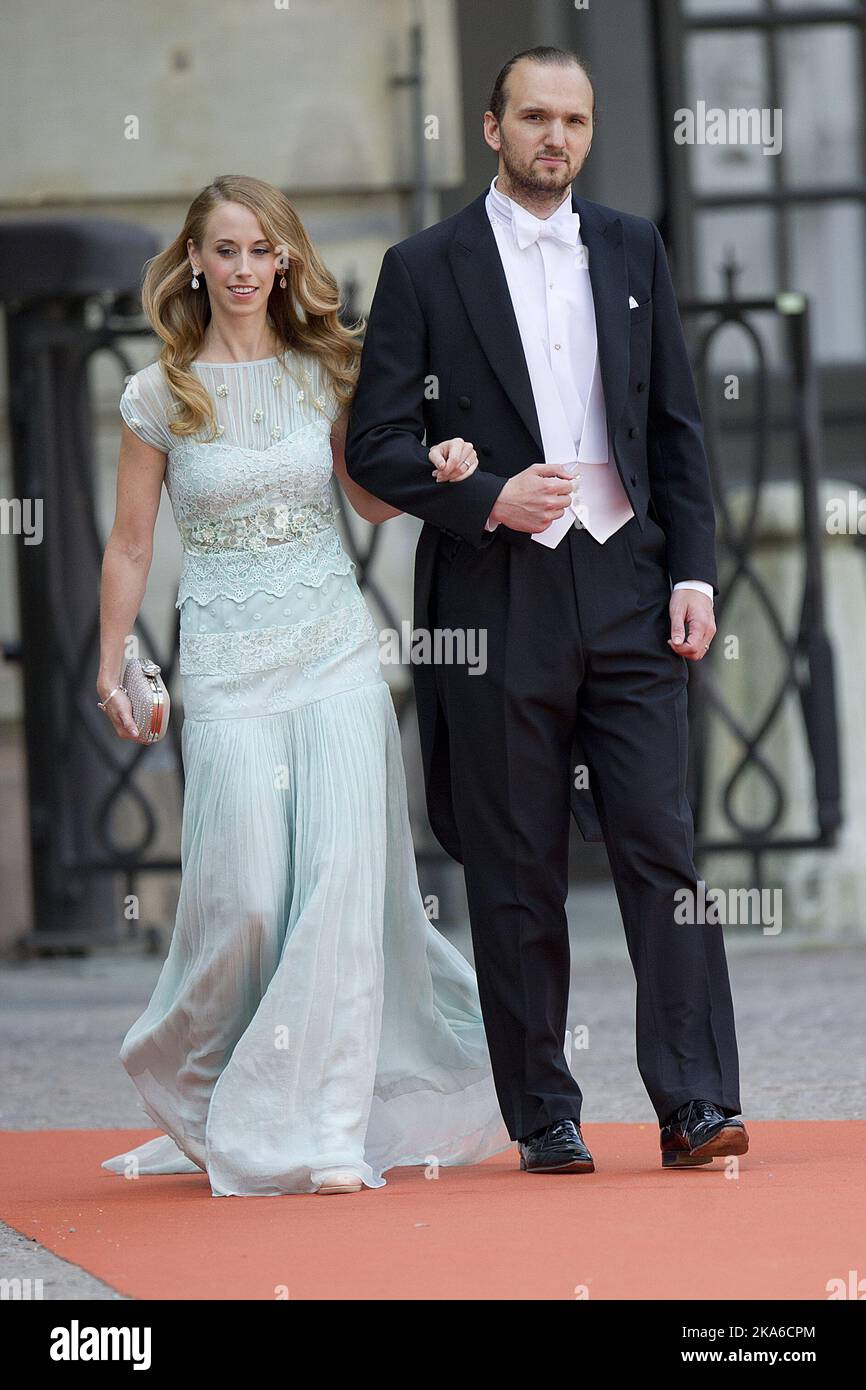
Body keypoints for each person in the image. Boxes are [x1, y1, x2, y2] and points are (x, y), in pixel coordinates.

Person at [345, 47, 749, 1174]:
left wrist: (692, 572)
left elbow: (673, 425)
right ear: (491, 129)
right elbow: (376, 448)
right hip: (497, 594)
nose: (554, 138)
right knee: (515, 858)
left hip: (625, 583)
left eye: (572, 119)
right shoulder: (422, 268)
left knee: (661, 846)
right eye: (533, 117)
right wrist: (483, 495)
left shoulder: (628, 247)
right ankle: (543, 1114)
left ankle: (695, 1100)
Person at [98, 174, 513, 1197]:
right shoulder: (161, 394)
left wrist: (441, 463)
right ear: (194, 260)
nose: (243, 269)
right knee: (242, 897)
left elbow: (372, 500)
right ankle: (194, 1074)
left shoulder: (326, 367)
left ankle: (326, 1125)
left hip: (331, 650)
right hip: (229, 662)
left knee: (337, 890)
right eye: (224, 250)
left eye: (261, 250)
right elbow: (130, 542)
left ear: (285, 261)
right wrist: (111, 659)